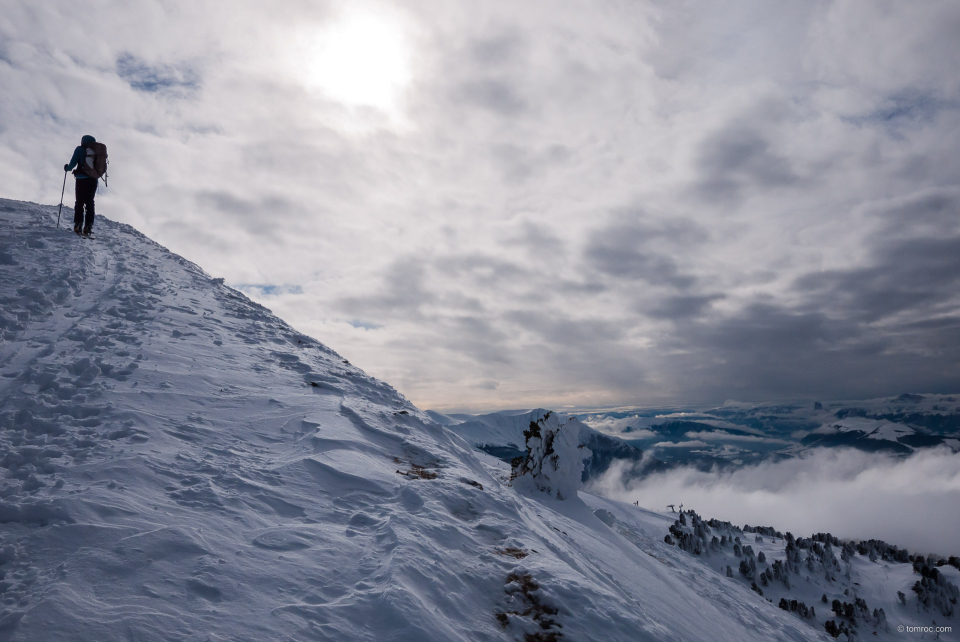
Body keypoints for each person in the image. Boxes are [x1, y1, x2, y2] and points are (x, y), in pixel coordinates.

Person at [64, 135, 99, 235]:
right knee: (90, 202)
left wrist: (67, 168)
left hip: (81, 179)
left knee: (79, 201)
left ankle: (78, 223)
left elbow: (72, 163)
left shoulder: (80, 149)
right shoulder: (96, 152)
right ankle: (88, 225)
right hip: (93, 180)